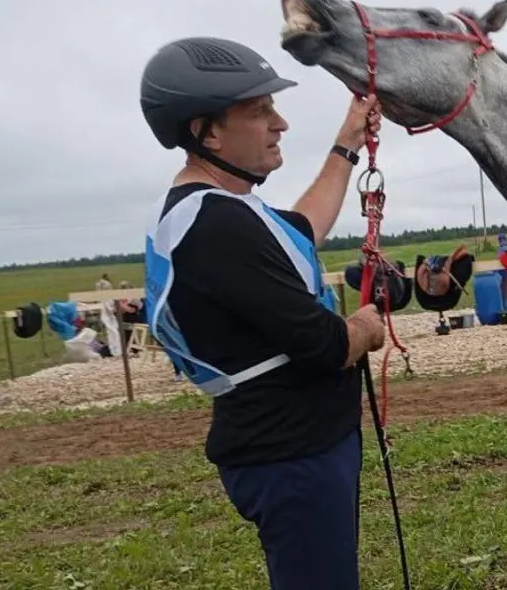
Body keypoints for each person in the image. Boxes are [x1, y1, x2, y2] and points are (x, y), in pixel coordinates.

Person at [138, 36, 388, 589]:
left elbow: (302, 229)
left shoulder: (222, 212)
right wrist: (367, 327)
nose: (281, 123)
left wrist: (346, 144)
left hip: (293, 446)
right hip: (293, 455)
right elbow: (327, 344)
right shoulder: (216, 227)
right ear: (205, 130)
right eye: (259, 110)